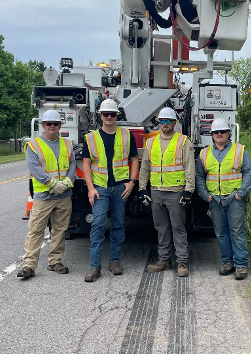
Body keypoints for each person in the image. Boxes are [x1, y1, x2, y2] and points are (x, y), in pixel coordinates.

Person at [82, 98, 140, 282]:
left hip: (120, 188)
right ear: (100, 116)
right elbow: (86, 164)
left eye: (112, 114)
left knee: (118, 224)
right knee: (98, 224)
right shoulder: (91, 138)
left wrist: (132, 182)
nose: (109, 117)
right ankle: (94, 267)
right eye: (106, 114)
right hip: (100, 188)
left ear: (117, 116)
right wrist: (90, 188)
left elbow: (135, 159)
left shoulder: (126, 135)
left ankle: (114, 261)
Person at [17, 109, 75, 279]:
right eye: (49, 124)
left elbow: (72, 167)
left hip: (64, 195)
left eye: (55, 124)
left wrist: (65, 183)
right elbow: (35, 169)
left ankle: (55, 261)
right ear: (43, 125)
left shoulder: (67, 144)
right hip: (44, 196)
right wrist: (53, 184)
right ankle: (29, 266)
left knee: (60, 229)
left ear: (59, 126)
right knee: (36, 230)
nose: (52, 126)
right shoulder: (33, 145)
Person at [139, 107, 195, 277]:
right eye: (162, 121)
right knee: (161, 227)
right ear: (159, 123)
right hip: (156, 191)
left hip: (175, 191)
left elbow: (189, 166)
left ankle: (182, 262)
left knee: (178, 227)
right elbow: (145, 167)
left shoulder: (183, 141)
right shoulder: (151, 142)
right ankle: (164, 259)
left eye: (168, 121)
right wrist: (142, 188)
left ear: (174, 123)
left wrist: (189, 190)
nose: (164, 124)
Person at [195, 118, 251, 280]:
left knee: (237, 232)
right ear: (211, 135)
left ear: (229, 133)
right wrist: (205, 195)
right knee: (221, 233)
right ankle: (227, 262)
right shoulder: (204, 153)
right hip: (214, 200)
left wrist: (241, 194)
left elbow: (248, 173)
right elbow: (199, 176)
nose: (219, 134)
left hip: (234, 199)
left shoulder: (240, 150)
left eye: (222, 131)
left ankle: (241, 265)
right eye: (216, 132)